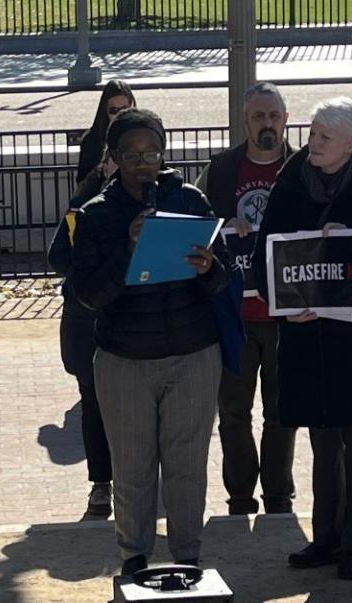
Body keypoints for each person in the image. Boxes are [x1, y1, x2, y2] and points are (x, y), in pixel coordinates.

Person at [253, 97, 352, 579]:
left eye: (324, 136)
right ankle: (324, 540)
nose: (312, 142)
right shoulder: (288, 188)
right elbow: (267, 262)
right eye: (313, 132)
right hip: (307, 339)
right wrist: (284, 308)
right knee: (323, 442)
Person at [71, 108, 234, 575]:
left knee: (187, 465)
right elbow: (89, 295)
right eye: (133, 155)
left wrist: (209, 268)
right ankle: (135, 557)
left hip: (193, 355)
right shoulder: (96, 216)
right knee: (133, 466)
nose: (145, 163)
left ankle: (187, 556)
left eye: (152, 153)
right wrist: (129, 247)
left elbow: (222, 280)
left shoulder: (192, 200)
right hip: (126, 360)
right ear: (116, 158)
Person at [196, 82, 297, 515]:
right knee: (233, 413)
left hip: (287, 316)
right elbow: (197, 228)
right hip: (233, 315)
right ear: (245, 121)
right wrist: (223, 224)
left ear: (286, 120)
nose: (267, 124)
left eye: (274, 116)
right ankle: (240, 496)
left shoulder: (304, 168)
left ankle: (278, 495)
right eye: (259, 116)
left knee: (283, 412)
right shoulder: (219, 171)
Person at [47, 80, 135, 518]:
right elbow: (59, 254)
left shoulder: (164, 196)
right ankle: (101, 484)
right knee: (95, 400)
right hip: (90, 317)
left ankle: (136, 485)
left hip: (141, 322)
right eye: (123, 156)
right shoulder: (87, 198)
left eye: (144, 156)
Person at [75, 79, 136, 199]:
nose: (119, 115)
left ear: (131, 106)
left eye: (124, 110)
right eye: (114, 110)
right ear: (105, 111)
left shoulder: (142, 135)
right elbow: (81, 185)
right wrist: (101, 170)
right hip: (101, 205)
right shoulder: (92, 140)